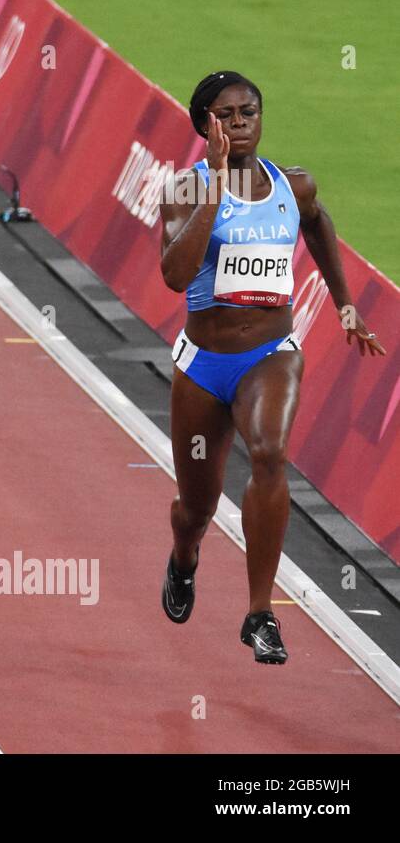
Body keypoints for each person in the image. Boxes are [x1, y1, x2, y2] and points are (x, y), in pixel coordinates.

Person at [158, 71, 384, 663]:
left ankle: (260, 614)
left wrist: (345, 303)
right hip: (205, 366)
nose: (240, 124)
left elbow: (317, 223)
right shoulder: (186, 190)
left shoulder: (294, 186)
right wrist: (215, 186)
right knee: (195, 509)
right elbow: (176, 277)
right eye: (226, 116)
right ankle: (185, 558)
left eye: (249, 112)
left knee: (268, 453)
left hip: (270, 355)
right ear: (206, 125)